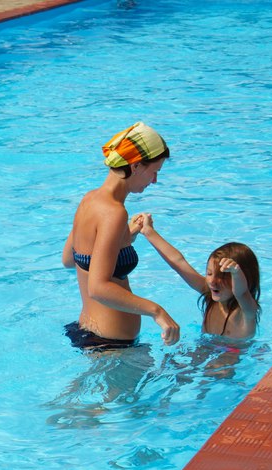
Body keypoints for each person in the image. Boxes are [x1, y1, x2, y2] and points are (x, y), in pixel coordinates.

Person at [62, 121, 180, 349]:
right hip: (113, 346)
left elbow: (69, 259)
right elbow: (98, 288)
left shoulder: (89, 200)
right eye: (154, 172)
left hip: (86, 331)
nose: (154, 180)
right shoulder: (114, 213)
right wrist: (157, 311)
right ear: (136, 166)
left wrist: (125, 236)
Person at [132, 213, 260, 339]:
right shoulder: (210, 295)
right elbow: (179, 262)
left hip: (235, 351)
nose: (213, 281)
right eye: (209, 273)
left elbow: (241, 293)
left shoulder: (247, 311)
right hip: (204, 347)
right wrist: (148, 232)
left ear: (246, 279)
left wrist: (236, 272)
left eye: (222, 277)